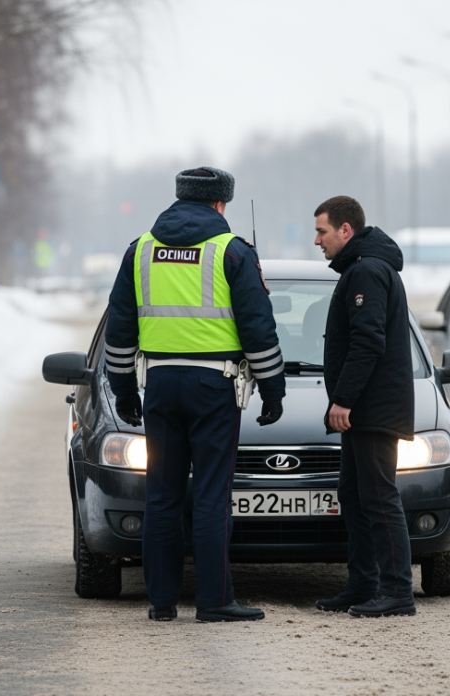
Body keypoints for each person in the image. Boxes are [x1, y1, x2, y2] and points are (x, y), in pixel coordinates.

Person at [103, 166, 286, 622]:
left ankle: (161, 602)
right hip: (214, 386)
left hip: (160, 385)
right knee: (209, 494)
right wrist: (273, 389)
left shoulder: (139, 251)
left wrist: (125, 391)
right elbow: (258, 328)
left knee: (161, 494)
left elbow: (119, 331)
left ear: (180, 198)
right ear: (221, 204)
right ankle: (213, 601)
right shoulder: (233, 252)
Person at [311, 195, 417, 618]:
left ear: (345, 230)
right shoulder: (361, 267)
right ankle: (362, 585)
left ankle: (397, 592)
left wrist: (343, 400)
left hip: (372, 410)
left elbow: (368, 341)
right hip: (364, 411)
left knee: (377, 497)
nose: (316, 241)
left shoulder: (368, 272)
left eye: (321, 232)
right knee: (354, 496)